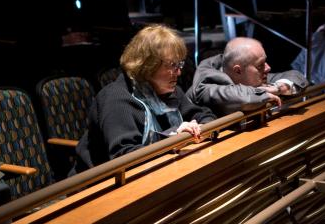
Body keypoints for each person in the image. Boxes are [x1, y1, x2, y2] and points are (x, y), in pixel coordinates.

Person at [75, 25, 215, 170]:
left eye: (180, 64)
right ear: (148, 65)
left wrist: (199, 129)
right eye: (172, 65)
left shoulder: (168, 90)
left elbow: (204, 115)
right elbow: (124, 157)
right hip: (101, 185)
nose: (179, 72)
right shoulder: (116, 100)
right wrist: (173, 140)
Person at [187, 37, 307, 116]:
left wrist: (279, 88)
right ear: (238, 70)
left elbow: (296, 76)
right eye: (260, 65)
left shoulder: (249, 76)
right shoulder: (206, 86)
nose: (268, 68)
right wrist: (265, 93)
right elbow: (244, 98)